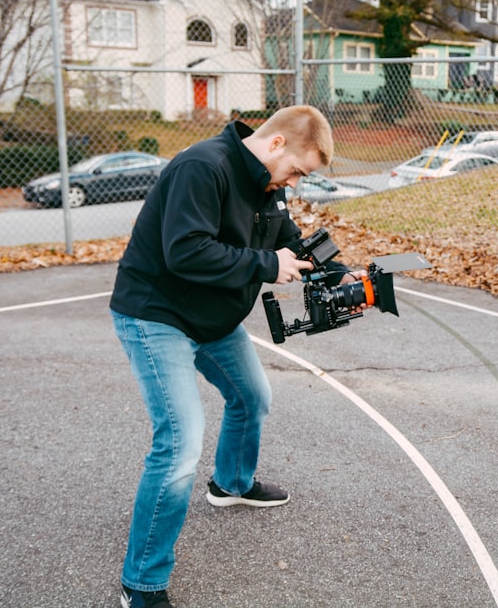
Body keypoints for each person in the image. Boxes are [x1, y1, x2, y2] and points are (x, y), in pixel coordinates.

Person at [110, 105, 361, 608]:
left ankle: (230, 484)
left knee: (252, 397)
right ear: (274, 145)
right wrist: (268, 265)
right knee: (180, 445)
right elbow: (185, 251)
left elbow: (290, 243)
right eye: (296, 170)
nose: (294, 181)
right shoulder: (202, 168)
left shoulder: (270, 186)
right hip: (157, 316)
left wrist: (341, 274)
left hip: (214, 321)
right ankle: (141, 582)